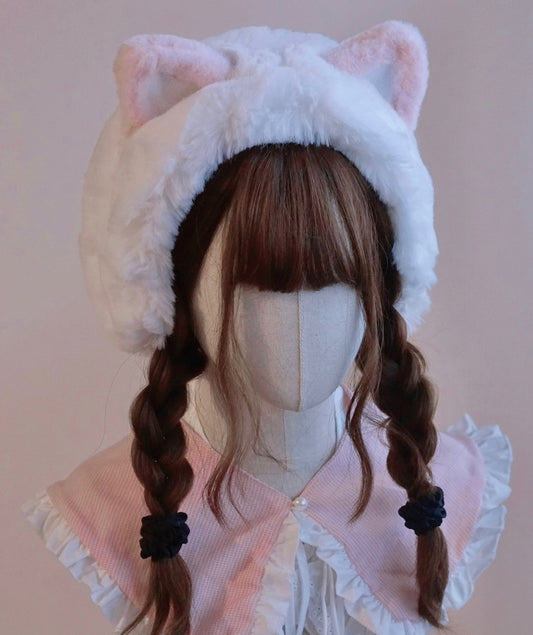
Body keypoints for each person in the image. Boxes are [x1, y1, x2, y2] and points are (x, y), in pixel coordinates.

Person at [23, 21, 512, 635]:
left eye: (338, 279)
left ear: (382, 286)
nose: (303, 324)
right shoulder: (113, 506)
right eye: (257, 286)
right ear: (173, 289)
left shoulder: (438, 486)